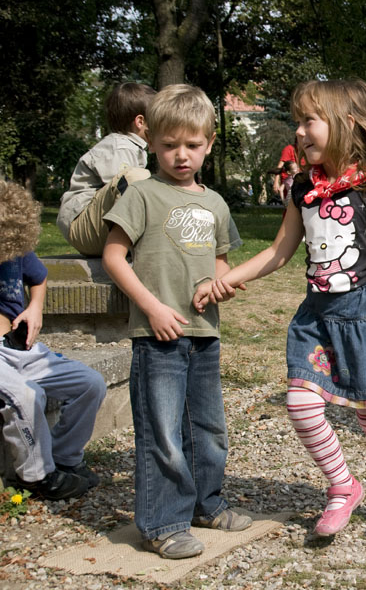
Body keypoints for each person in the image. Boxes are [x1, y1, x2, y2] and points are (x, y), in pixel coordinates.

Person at [193, 79, 366, 539]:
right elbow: (278, 251)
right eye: (297, 122)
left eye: (309, 121)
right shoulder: (303, 190)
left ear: (346, 124)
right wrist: (227, 279)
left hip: (365, 314)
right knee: (300, 405)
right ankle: (343, 486)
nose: (299, 131)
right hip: (316, 317)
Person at [102, 85, 249, 559]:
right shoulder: (142, 195)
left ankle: (206, 504)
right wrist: (152, 307)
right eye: (169, 145)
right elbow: (114, 257)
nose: (181, 155)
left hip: (204, 333)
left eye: (192, 145)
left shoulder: (216, 203)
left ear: (209, 143)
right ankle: (163, 523)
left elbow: (221, 263)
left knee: (208, 428)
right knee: (162, 432)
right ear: (151, 142)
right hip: (157, 335)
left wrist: (221, 284)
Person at [1, 181, 106, 501]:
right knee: (25, 395)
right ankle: (38, 477)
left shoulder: (12, 240)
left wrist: (35, 308)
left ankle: (64, 458)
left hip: (18, 345)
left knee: (90, 383)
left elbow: (40, 276)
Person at [57, 83, 156, 257]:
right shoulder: (119, 147)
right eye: (157, 119)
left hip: (95, 226)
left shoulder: (132, 147)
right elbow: (124, 190)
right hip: (82, 226)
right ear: (140, 122)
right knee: (135, 179)